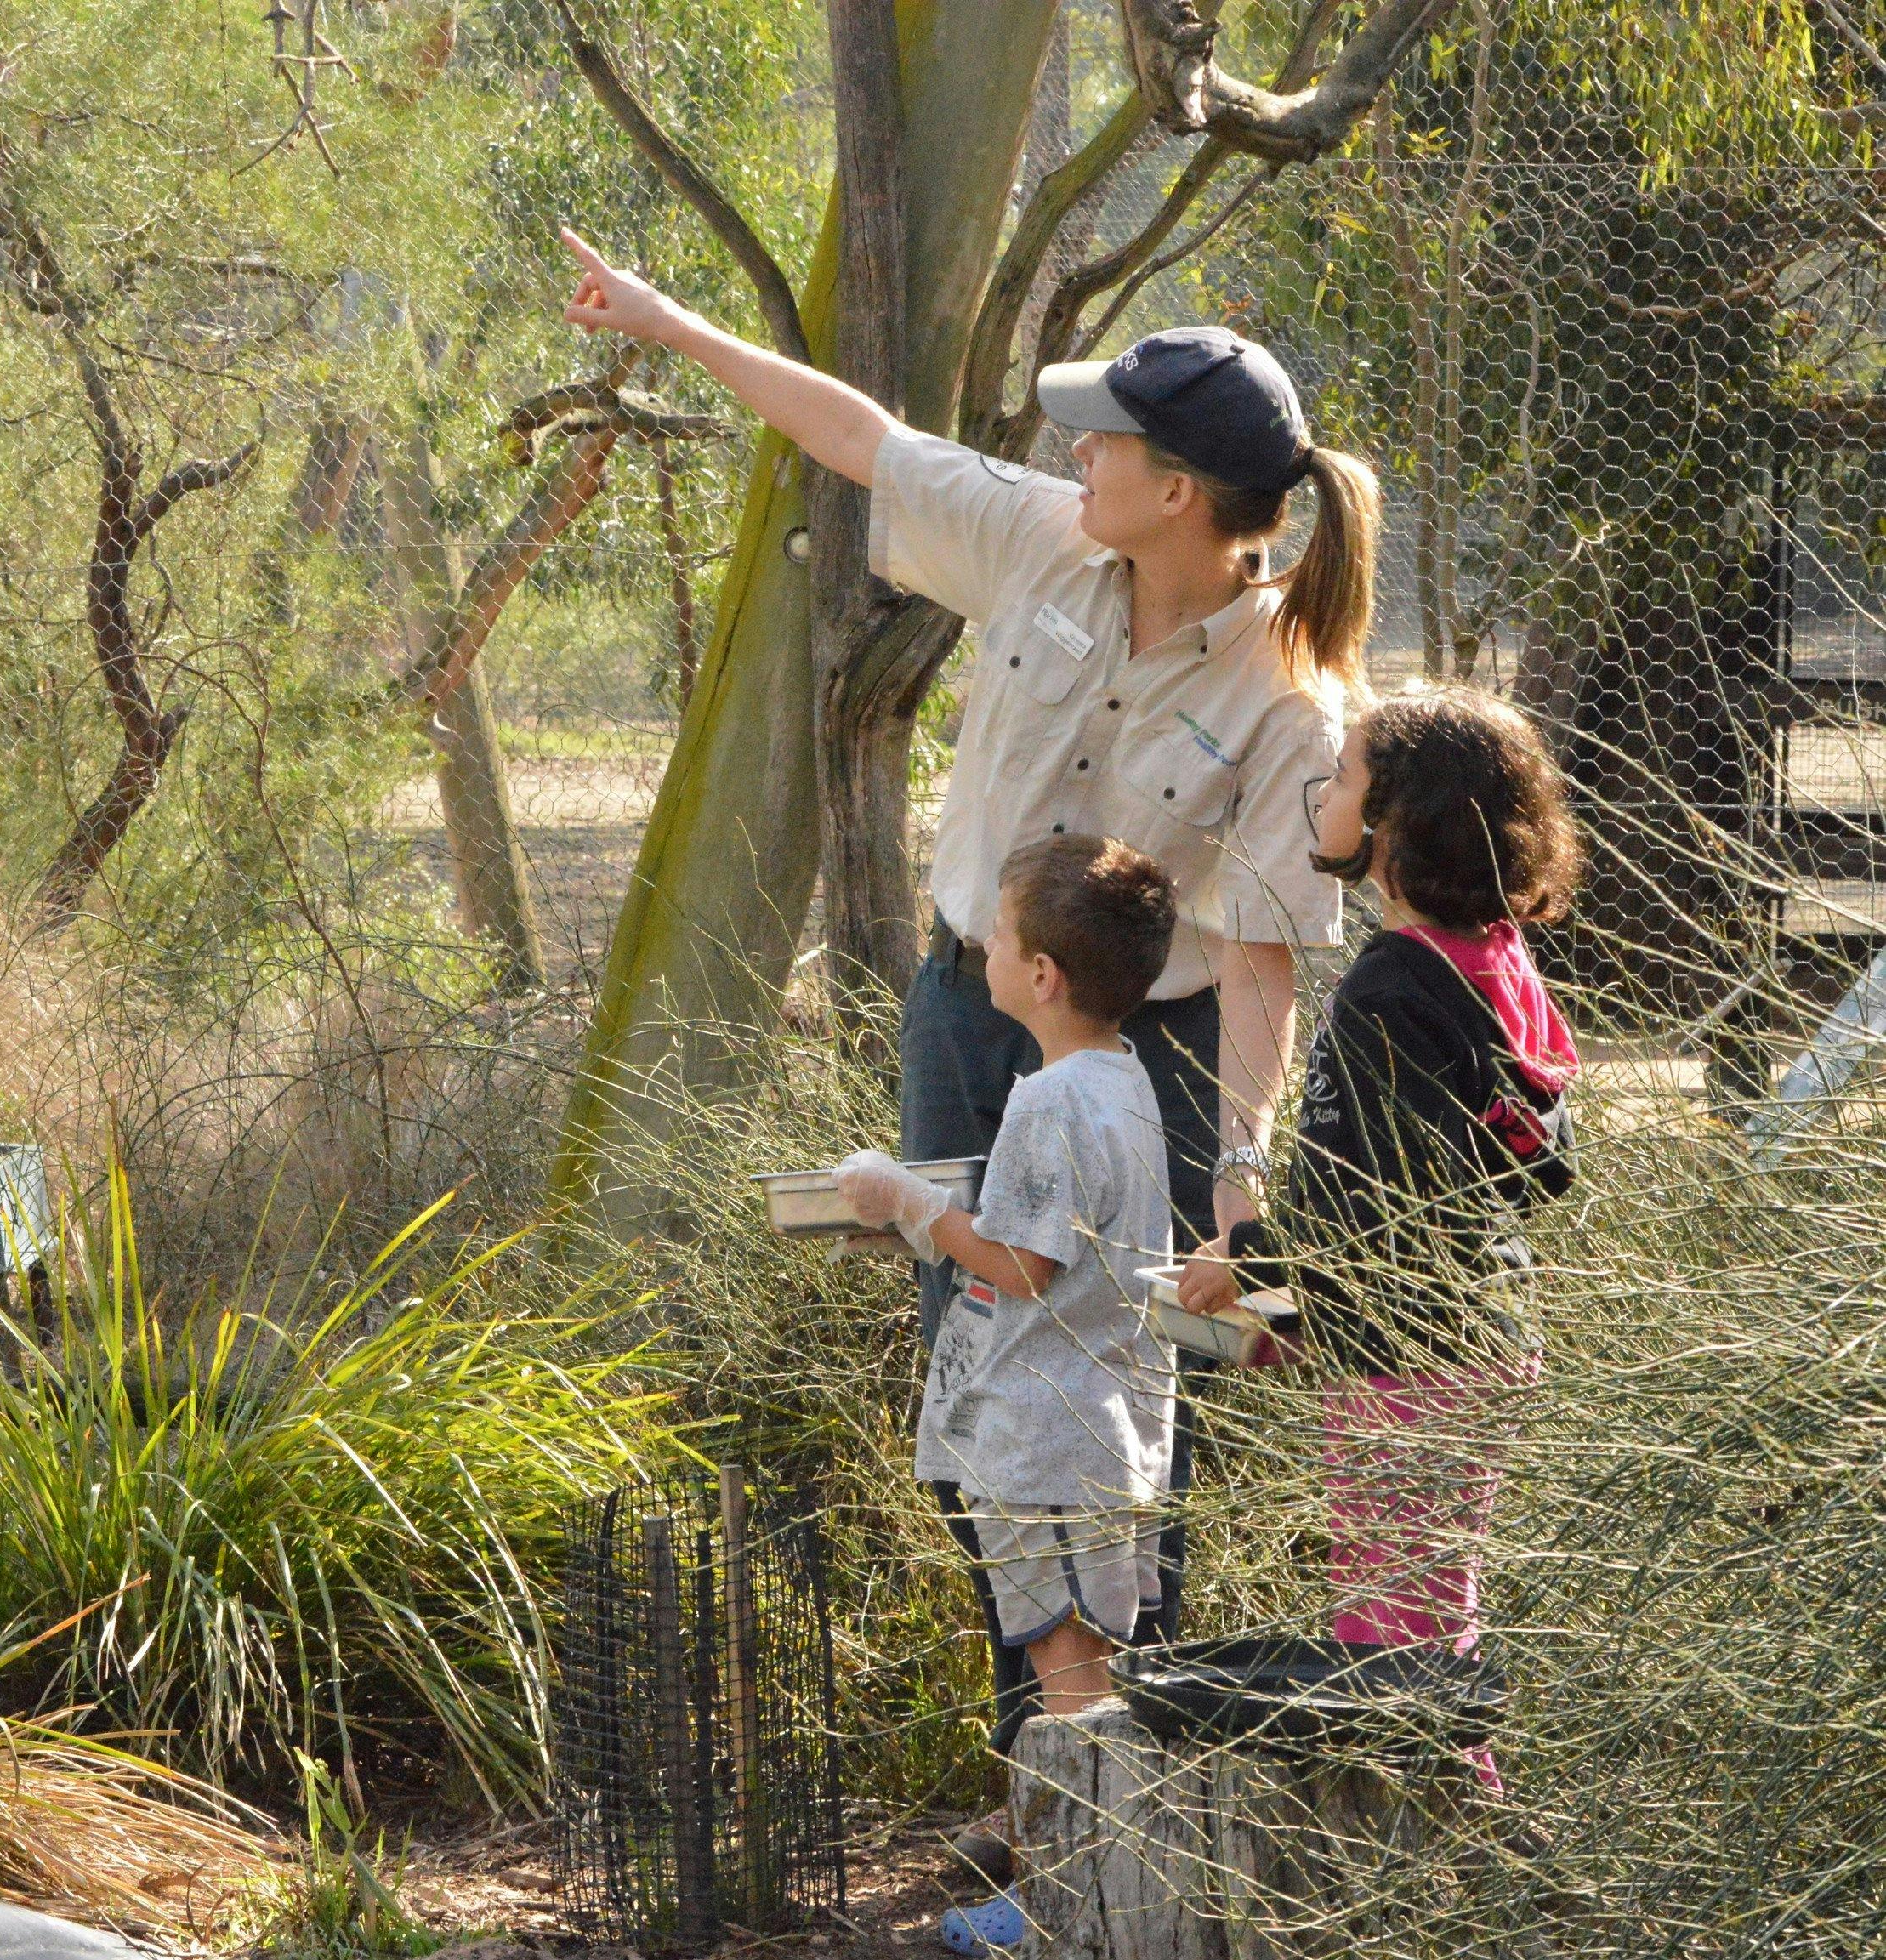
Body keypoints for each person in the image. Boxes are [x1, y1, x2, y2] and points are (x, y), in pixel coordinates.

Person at [557, 229, 1383, 1854]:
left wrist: (1240, 1183)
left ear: (1181, 493)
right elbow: (862, 436)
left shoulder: (1295, 695)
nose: (1076, 453)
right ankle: (1054, 1765)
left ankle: (1106, 1787)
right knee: (984, 1393)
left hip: (1150, 1059)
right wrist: (667, 324)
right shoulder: (1039, 535)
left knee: (1125, 1411)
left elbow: (1264, 962)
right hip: (973, 1012)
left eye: (1107, 439)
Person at [1178, 687, 1582, 1788]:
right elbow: (1535, 1164)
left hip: (1413, 1351)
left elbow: (1370, 1201)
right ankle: (1462, 1818)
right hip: (1478, 1331)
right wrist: (1297, 1312)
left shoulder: (1391, 987)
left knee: (1390, 1629)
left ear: (1401, 820)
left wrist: (1246, 1266)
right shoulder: (1491, 958)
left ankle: (1439, 1838)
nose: (1325, 790)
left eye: (1346, 775)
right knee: (1433, 1602)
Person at [834, 834, 1180, 1957]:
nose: (978, 946)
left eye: (996, 931)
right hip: (1109, 1426)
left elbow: (1023, 1267)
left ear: (1041, 973)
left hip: (1047, 1440)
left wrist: (907, 1202)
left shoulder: (1050, 1101)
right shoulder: (1126, 1081)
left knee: (1066, 1685)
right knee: (1093, 1675)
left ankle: (1066, 1915)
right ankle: (1110, 1901)